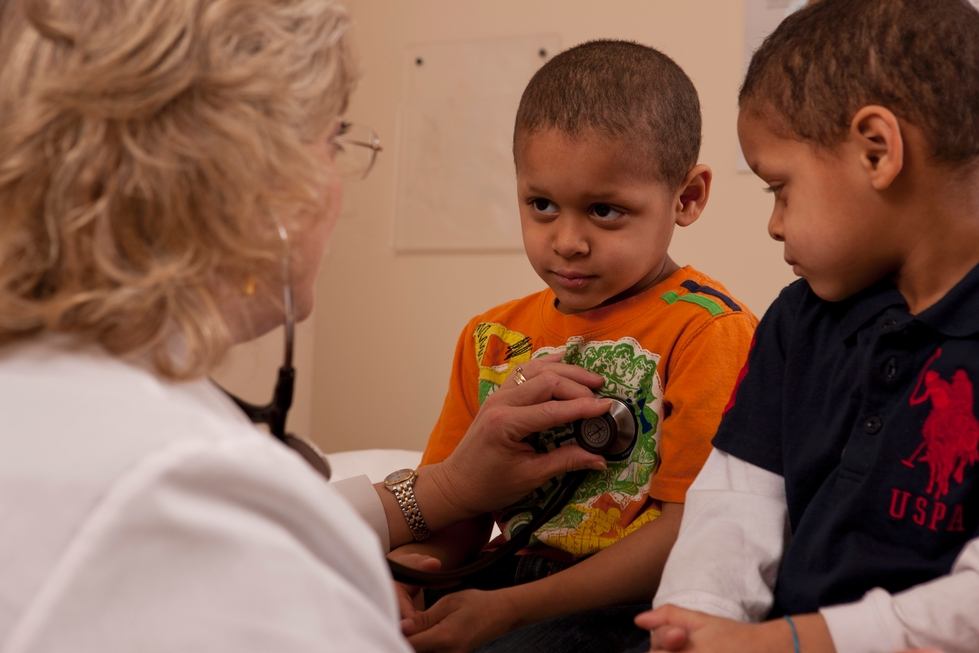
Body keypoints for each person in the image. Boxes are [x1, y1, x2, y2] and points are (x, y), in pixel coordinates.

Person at [0, 1, 620, 650]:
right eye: (332, 141)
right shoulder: (184, 490)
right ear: (257, 181)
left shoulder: (59, 398)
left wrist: (440, 491)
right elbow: (230, 528)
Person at [638, 1, 979, 651]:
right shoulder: (799, 319)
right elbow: (733, 504)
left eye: (779, 188)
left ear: (875, 152)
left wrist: (791, 641)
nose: (772, 224)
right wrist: (693, 617)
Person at [396, 40, 757, 653]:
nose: (566, 241)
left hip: (626, 602)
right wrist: (408, 574)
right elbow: (453, 505)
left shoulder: (708, 332)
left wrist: (506, 611)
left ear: (687, 197)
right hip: (500, 582)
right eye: (541, 205)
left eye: (604, 211)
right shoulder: (491, 339)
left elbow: (689, 533)